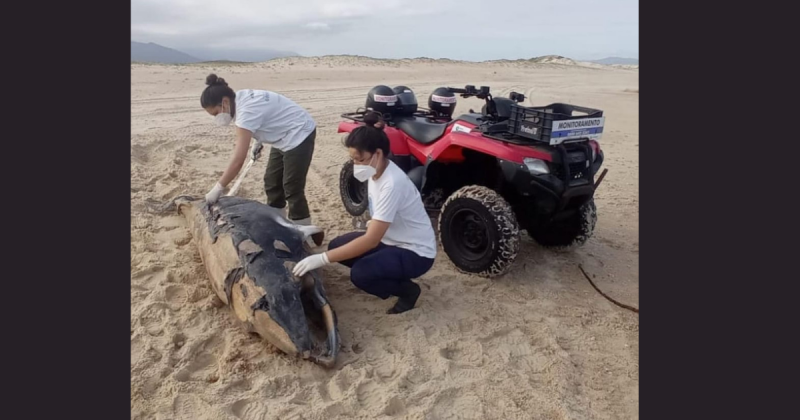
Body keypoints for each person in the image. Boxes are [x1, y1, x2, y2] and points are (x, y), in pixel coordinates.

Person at [292, 112, 437, 314]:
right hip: (390, 239)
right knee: (337, 246)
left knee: (361, 274)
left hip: (415, 251)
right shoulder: (376, 169)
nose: (356, 165)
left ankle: (408, 291)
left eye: (360, 159)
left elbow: (370, 240)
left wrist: (321, 258)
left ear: (377, 154)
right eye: (353, 159)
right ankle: (385, 269)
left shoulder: (392, 183)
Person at [200, 74, 318, 226]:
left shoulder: (246, 112)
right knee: (272, 182)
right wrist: (258, 141)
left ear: (224, 102)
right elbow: (266, 116)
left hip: (299, 133)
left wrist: (218, 188)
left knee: (292, 187)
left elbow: (238, 160)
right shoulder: (239, 97)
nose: (217, 118)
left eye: (216, 113)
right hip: (282, 135)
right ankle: (278, 223)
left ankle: (305, 232)